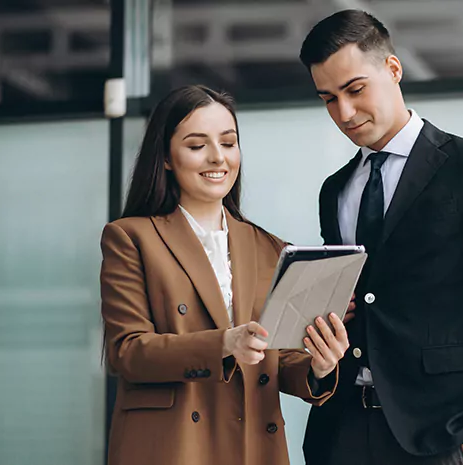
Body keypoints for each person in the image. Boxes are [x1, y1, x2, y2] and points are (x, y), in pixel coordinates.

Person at [298, 10, 463, 465]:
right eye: (328, 98)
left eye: (355, 89)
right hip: (340, 435)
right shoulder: (334, 190)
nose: (344, 112)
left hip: (447, 438)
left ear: (393, 70)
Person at [100, 85, 349, 465]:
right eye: (197, 145)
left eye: (228, 143)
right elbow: (128, 352)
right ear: (166, 157)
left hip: (253, 444)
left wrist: (320, 364)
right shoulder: (131, 238)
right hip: (173, 446)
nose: (218, 157)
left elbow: (278, 357)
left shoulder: (271, 247)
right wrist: (225, 343)